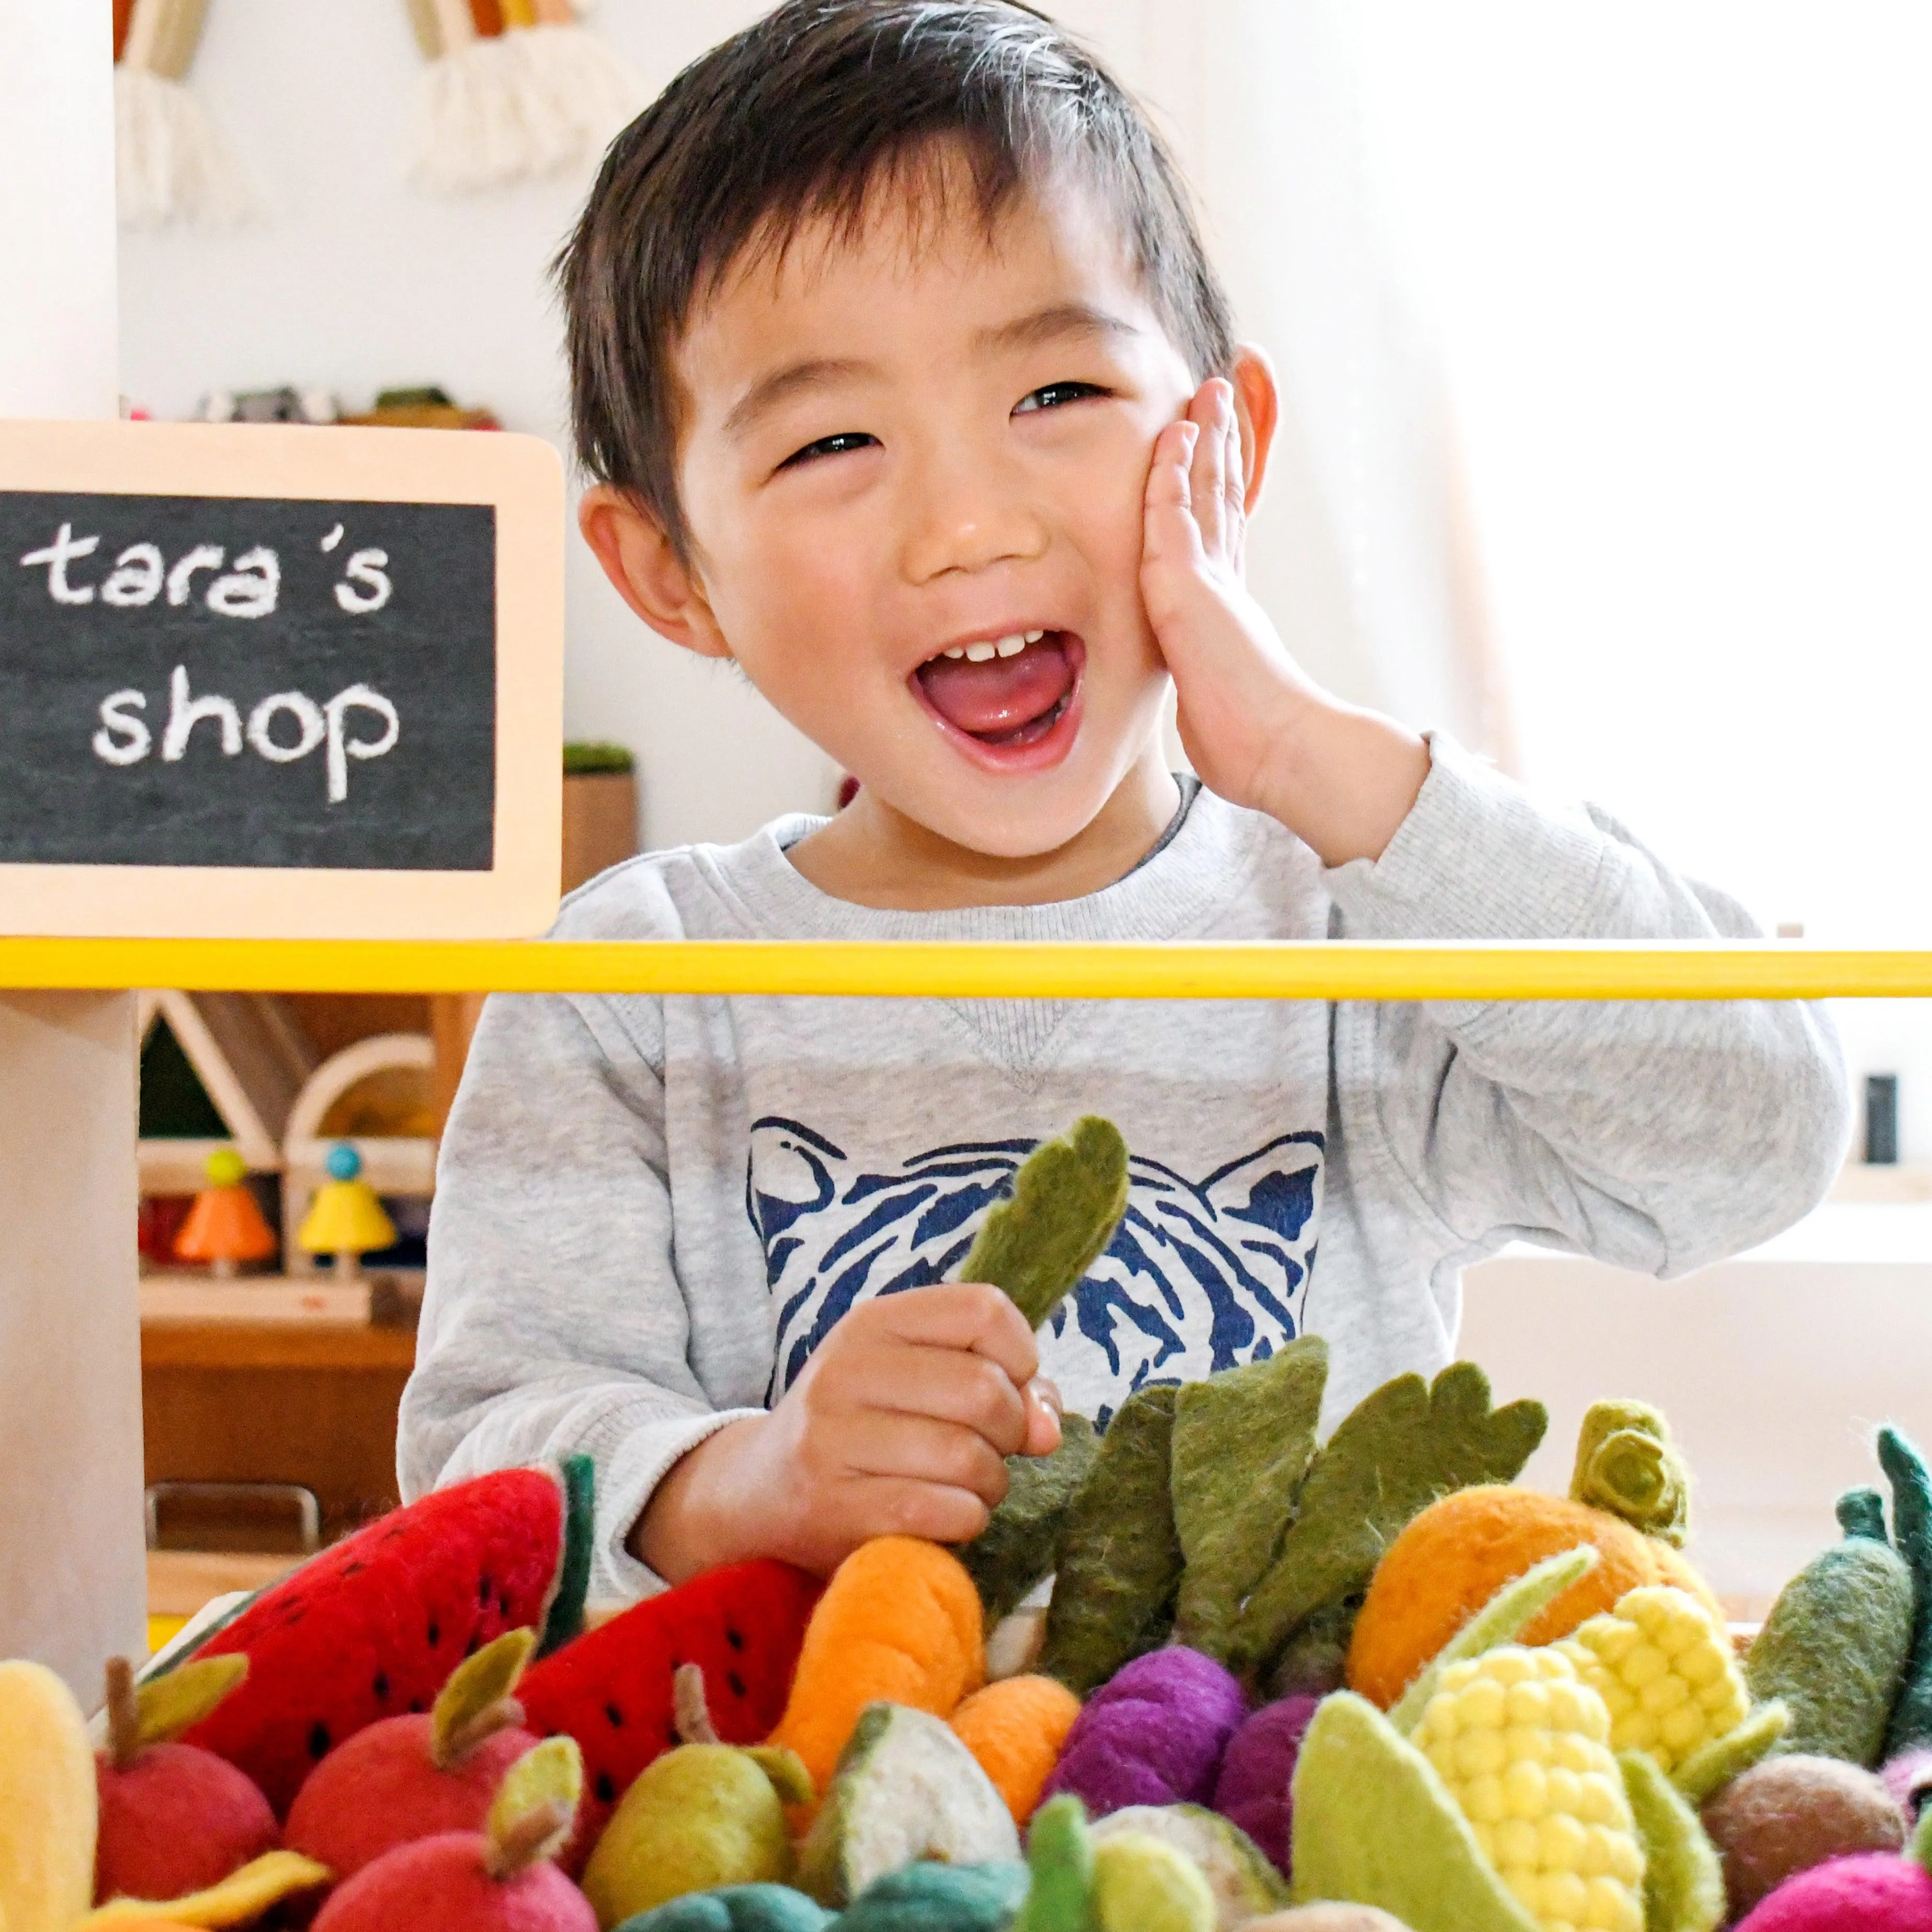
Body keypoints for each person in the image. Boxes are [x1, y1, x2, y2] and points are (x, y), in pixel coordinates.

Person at [399, 0, 1847, 1605]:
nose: (968, 525)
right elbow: (482, 1455)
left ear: (1223, 446)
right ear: (671, 575)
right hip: (805, 1830)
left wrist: (1315, 758)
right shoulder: (628, 989)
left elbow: (1762, 1133)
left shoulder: (1356, 925)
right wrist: (746, 1480)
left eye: (1056, 397)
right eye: (832, 441)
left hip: (1288, 1831)